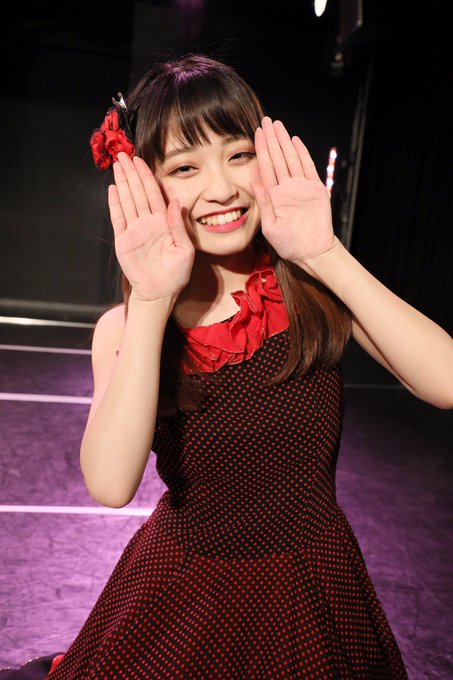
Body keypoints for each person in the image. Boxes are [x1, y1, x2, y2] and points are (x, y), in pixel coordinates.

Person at [3, 53, 453, 679]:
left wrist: (325, 253)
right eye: (185, 167)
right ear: (145, 185)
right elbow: (110, 484)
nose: (221, 188)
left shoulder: (309, 287)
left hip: (317, 588)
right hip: (187, 597)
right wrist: (152, 302)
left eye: (239, 154)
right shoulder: (130, 327)